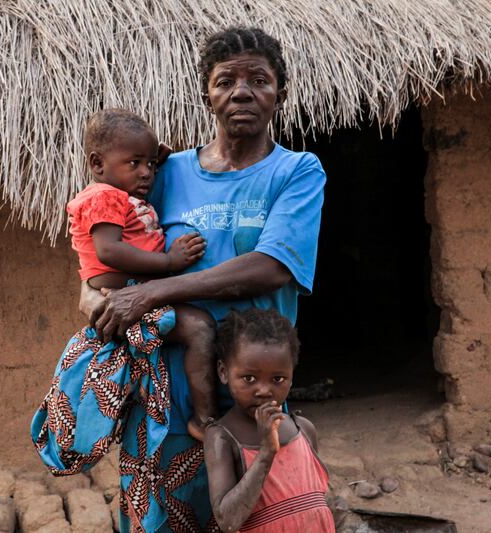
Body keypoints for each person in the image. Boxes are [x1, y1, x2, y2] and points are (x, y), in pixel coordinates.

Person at [81, 27, 327, 532]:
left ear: (280, 92)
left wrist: (153, 291)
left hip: (247, 404)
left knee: (257, 518)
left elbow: (271, 266)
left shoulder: (298, 172)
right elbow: (105, 255)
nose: (242, 91)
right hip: (161, 400)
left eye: (258, 79)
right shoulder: (165, 174)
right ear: (206, 94)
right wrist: (96, 296)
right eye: (226, 80)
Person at [30, 110, 218, 486]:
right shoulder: (102, 197)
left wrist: (149, 158)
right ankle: (206, 419)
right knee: (199, 329)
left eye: (150, 163)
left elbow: (141, 167)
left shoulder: (122, 193)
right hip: (122, 294)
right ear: (97, 164)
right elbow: (110, 252)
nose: (147, 172)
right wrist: (169, 261)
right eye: (135, 163)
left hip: (135, 292)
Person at [204, 308, 335, 532]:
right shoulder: (222, 437)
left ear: (292, 377)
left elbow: (318, 501)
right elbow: (227, 520)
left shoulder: (303, 429)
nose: (264, 390)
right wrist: (266, 454)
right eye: (249, 378)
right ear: (224, 372)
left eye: (278, 379)